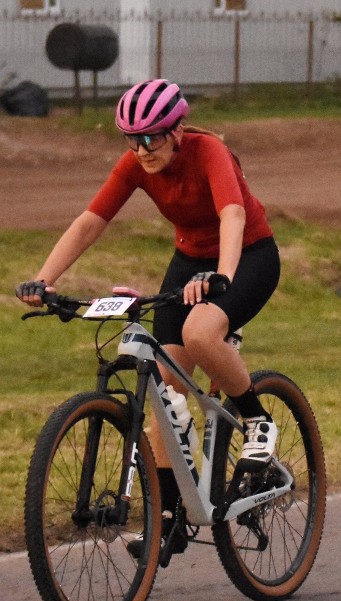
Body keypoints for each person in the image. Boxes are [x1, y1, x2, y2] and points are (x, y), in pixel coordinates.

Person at [14, 78, 281, 558]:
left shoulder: (208, 151)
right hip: (188, 263)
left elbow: (233, 214)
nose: (141, 149)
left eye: (150, 137)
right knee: (164, 390)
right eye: (131, 139)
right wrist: (44, 280)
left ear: (176, 130)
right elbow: (91, 221)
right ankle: (170, 520)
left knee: (200, 332)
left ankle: (258, 421)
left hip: (247, 256)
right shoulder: (135, 164)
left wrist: (222, 276)